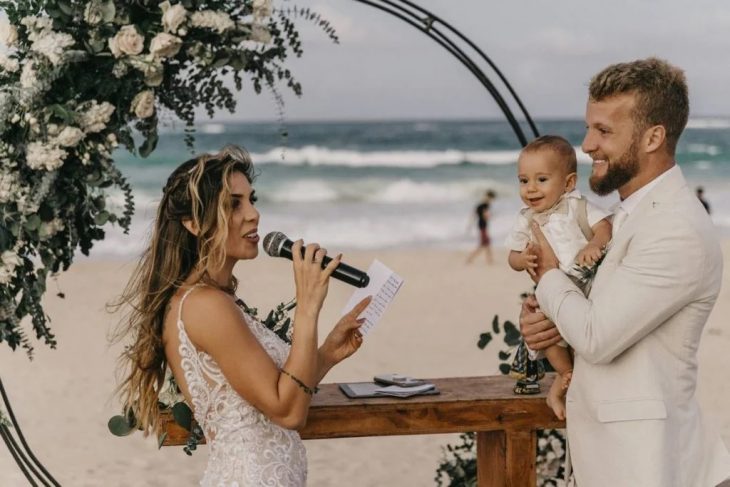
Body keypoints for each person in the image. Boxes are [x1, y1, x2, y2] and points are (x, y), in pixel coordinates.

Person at [520, 58, 730, 486]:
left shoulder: (676, 228)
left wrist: (547, 278)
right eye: (588, 128)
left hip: (654, 467)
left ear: (654, 137)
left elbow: (598, 336)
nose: (587, 144)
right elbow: (607, 327)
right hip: (615, 461)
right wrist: (551, 331)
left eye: (604, 131)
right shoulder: (623, 217)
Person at [111, 145, 371, 486]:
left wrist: (326, 356)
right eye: (233, 204)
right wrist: (307, 307)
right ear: (192, 223)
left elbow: (268, 395)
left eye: (252, 199)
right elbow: (288, 411)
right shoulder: (205, 306)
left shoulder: (213, 300)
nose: (253, 214)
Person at [505, 135, 612, 420]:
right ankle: (563, 374)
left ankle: (571, 379)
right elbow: (512, 257)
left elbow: (604, 228)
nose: (530, 189)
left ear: (568, 183)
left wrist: (592, 245)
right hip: (552, 292)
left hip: (585, 286)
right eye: (523, 180)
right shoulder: (526, 218)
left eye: (541, 179)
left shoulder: (578, 206)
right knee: (546, 334)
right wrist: (523, 259)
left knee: (580, 335)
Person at [466, 189, 496, 264]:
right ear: (490, 197)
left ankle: (489, 260)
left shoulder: (480, 204)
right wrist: (490, 216)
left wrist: (470, 225)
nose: (491, 200)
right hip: (483, 225)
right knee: (483, 244)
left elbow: (474, 214)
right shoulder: (485, 205)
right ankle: (470, 258)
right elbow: (485, 215)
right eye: (491, 198)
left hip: (481, 225)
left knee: (487, 243)